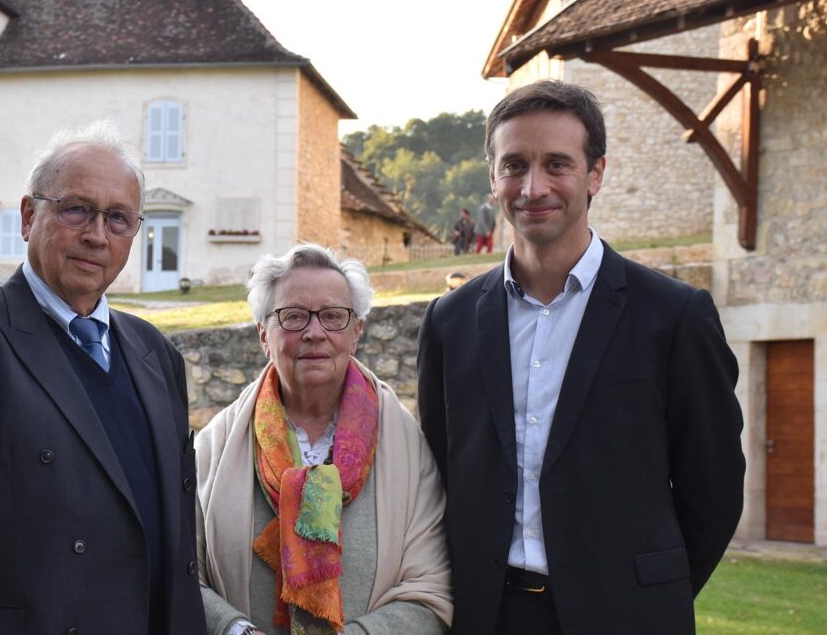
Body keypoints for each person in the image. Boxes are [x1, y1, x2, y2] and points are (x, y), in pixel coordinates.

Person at [416, 80, 744, 635]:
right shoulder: (449, 322)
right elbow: (440, 473)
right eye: (515, 164)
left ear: (596, 173)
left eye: (557, 164)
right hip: (486, 616)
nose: (534, 186)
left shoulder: (674, 316)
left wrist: (650, 593)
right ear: (493, 176)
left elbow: (713, 486)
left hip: (627, 616)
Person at [0, 121, 205, 634]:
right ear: (28, 216)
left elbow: (174, 546)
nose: (96, 235)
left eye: (118, 219)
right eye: (76, 209)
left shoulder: (156, 355)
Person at [197, 244, 452, 635]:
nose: (314, 333)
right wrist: (234, 630)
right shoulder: (213, 448)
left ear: (356, 333)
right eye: (294, 317)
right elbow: (182, 574)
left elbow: (431, 588)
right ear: (264, 335)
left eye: (333, 317)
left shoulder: (407, 447)